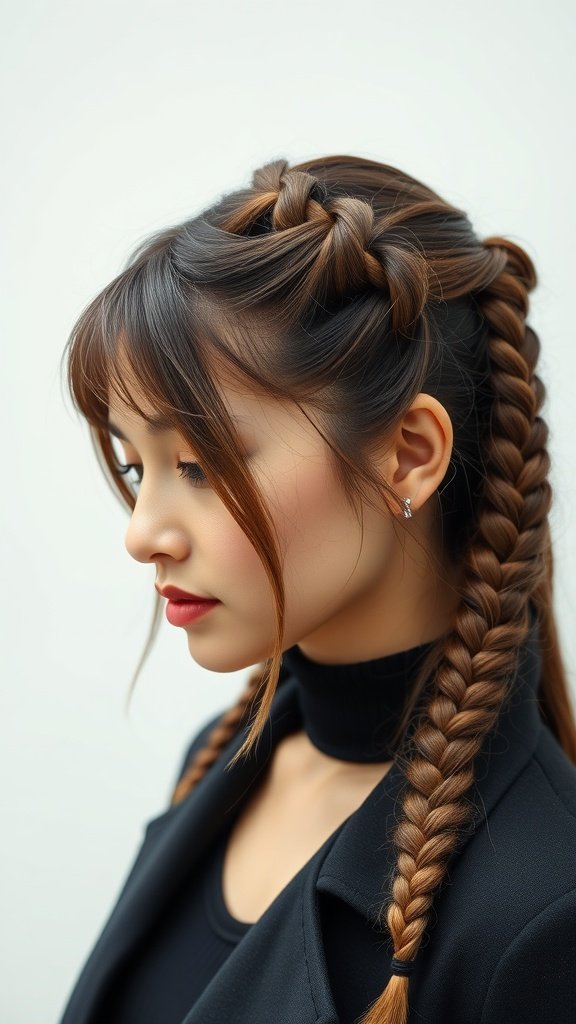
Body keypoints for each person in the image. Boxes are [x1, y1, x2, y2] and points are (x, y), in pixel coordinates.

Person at [57, 156, 576, 1024]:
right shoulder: (221, 761)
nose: (143, 533)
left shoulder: (540, 910)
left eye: (200, 464)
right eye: (136, 467)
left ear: (409, 454)